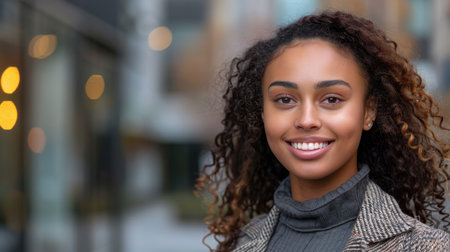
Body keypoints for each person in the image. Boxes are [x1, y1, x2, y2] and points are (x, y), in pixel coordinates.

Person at [195, 11, 450, 251]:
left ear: (369, 111)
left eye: (331, 99)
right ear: (263, 113)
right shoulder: (243, 242)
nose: (306, 120)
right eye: (285, 99)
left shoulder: (428, 247)